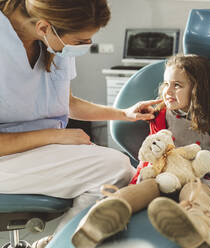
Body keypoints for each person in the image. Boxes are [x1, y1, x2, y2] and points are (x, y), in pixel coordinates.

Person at [0, 0, 161, 247]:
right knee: (115, 169)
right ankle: (61, 243)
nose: (87, 46)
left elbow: (65, 102)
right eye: (81, 41)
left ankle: (56, 242)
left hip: (33, 152)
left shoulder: (53, 43)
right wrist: (54, 136)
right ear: (44, 27)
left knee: (126, 174)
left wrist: (124, 113)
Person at [71, 54, 210, 248]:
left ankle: (198, 231)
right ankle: (101, 220)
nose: (168, 91)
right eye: (166, 83)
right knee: (145, 187)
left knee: (194, 191)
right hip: (164, 177)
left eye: (177, 85)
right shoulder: (159, 114)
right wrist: (134, 184)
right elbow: (152, 154)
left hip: (202, 179)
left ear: (197, 88)